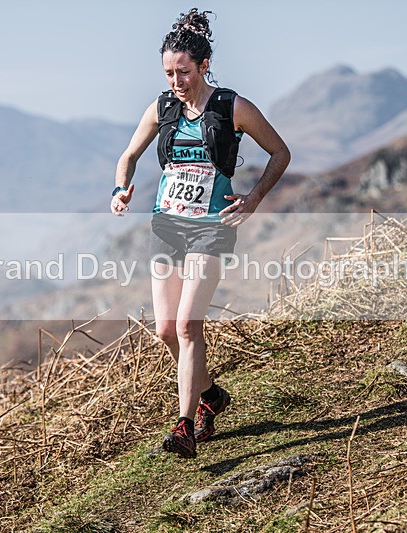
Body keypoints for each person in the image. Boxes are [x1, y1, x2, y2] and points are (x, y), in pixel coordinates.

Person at [110, 8, 290, 458]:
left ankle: (185, 426)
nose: (176, 81)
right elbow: (128, 156)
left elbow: (280, 152)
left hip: (211, 228)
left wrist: (254, 198)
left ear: (204, 66)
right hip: (167, 225)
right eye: (169, 73)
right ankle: (211, 395)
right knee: (166, 331)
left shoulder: (233, 107)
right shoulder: (161, 108)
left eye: (184, 72)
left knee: (189, 325)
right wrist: (120, 189)